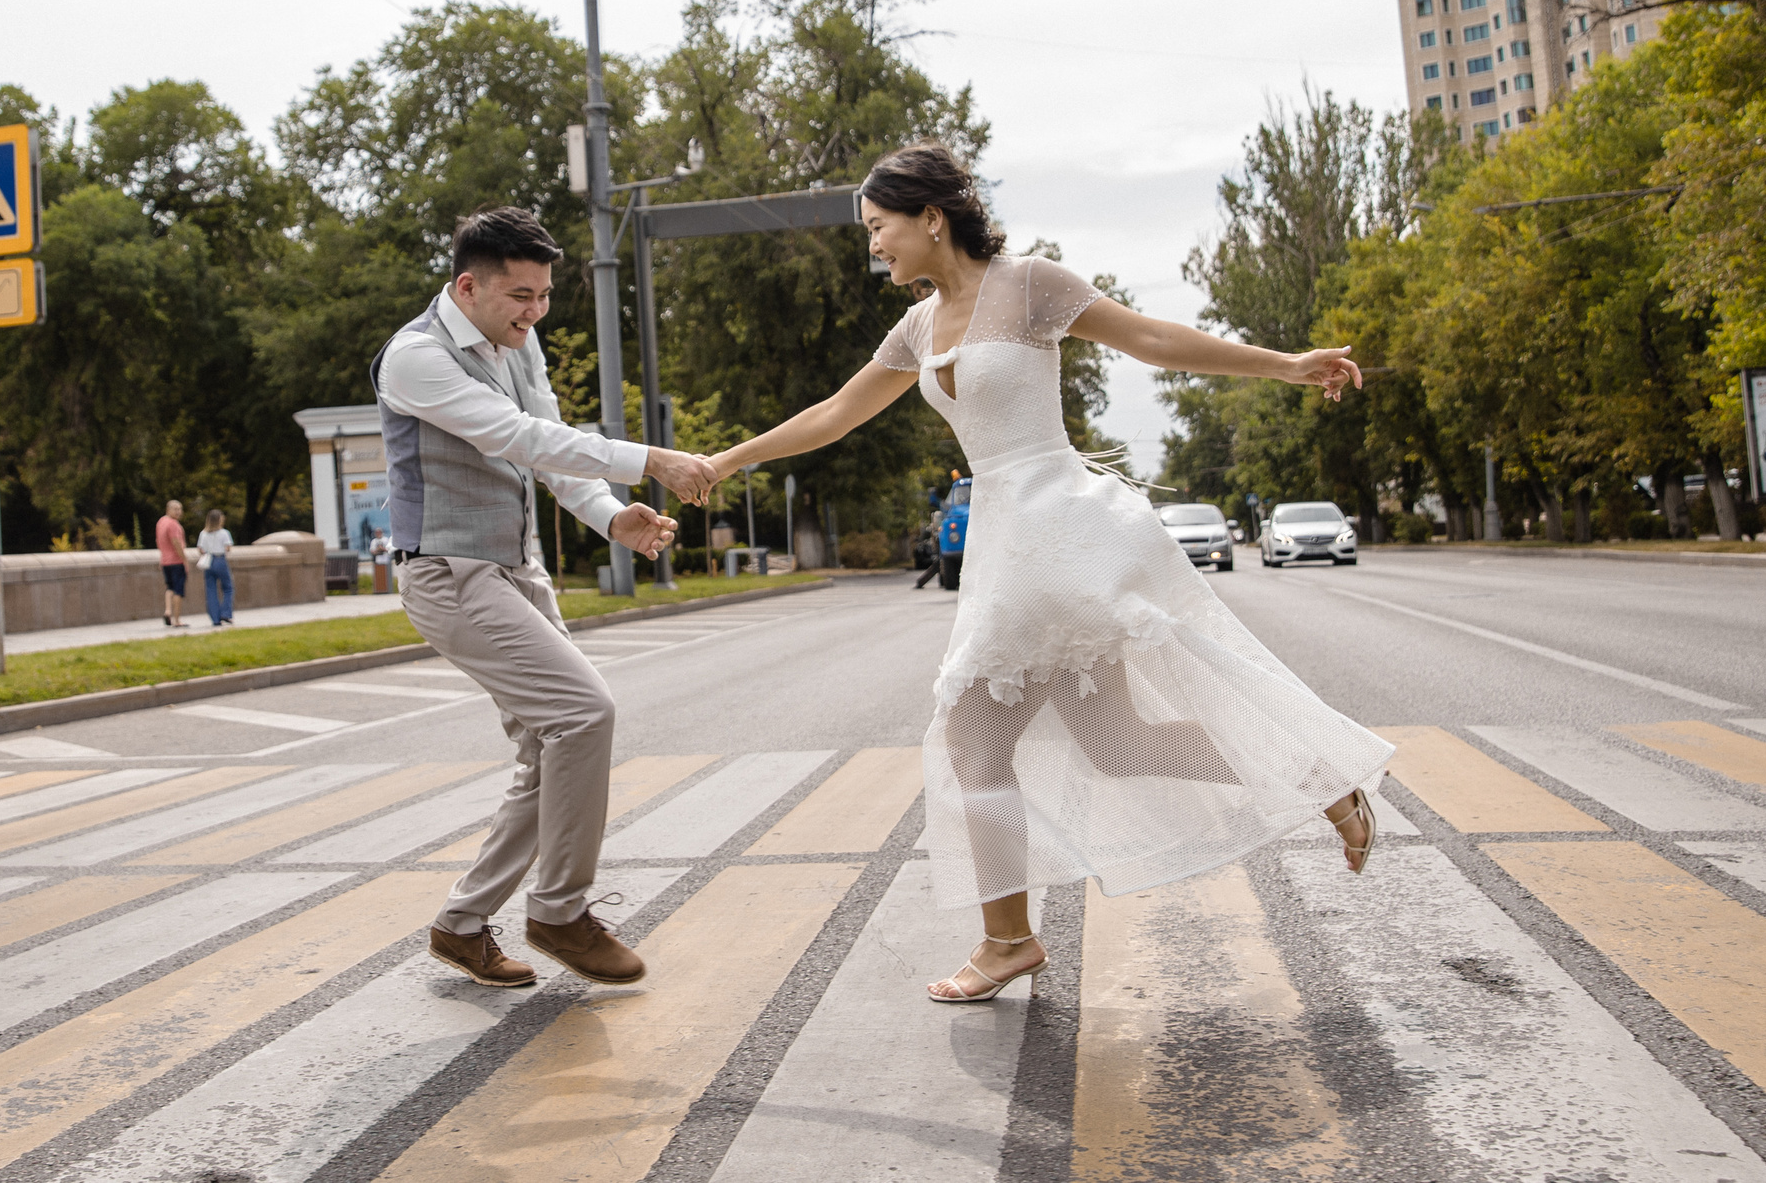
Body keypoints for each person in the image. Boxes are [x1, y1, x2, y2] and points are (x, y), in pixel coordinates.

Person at [700, 143, 1392, 1004]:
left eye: (879, 228)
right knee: (1118, 741)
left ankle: (1007, 939)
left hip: (1058, 522)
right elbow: (836, 415)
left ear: (930, 218)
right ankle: (1319, 775)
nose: (873, 246)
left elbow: (1152, 338)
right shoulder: (917, 327)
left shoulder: (1029, 285)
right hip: (1007, 539)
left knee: (973, 736)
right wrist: (725, 461)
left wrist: (1286, 364)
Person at [376, 206, 717, 991]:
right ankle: (559, 909)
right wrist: (650, 458)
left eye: (543, 296)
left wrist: (610, 514)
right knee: (583, 714)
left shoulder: (514, 347)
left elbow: (553, 444)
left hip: (515, 571)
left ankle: (462, 925)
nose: (534, 313)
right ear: (468, 286)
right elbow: (518, 439)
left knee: (547, 748)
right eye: (519, 297)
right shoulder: (415, 359)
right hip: (449, 574)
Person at [196, 509, 236, 626]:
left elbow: (200, 549)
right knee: (228, 588)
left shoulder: (203, 533)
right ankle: (225, 612)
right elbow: (228, 547)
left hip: (209, 561)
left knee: (211, 590)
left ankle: (215, 618)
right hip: (220, 559)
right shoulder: (224, 533)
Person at [155, 499, 189, 627]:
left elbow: (158, 540)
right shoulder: (173, 524)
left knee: (169, 587)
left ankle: (168, 611)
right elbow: (176, 542)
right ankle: (177, 620)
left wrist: (162, 556)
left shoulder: (161, 522)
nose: (178, 512)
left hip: (165, 561)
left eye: (180, 509)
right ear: (168, 509)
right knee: (178, 590)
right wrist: (184, 559)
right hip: (176, 561)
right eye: (175, 509)